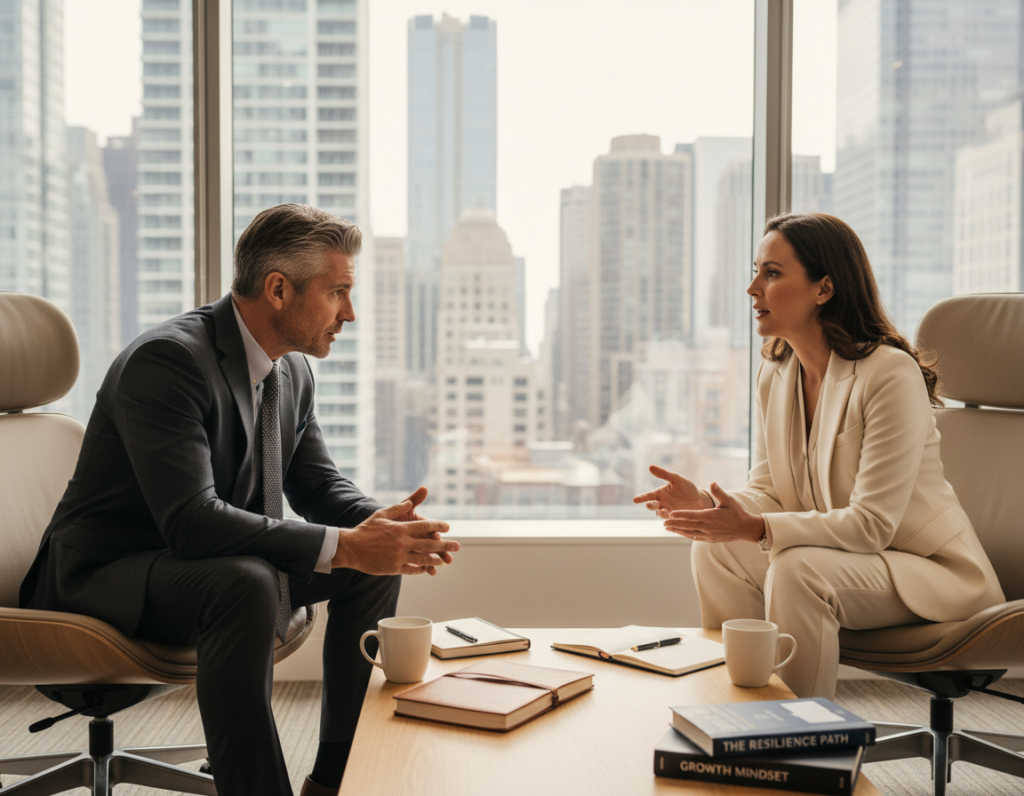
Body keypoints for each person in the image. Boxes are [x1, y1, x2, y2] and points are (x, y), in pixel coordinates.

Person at [20, 204, 460, 796]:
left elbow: (318, 486)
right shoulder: (169, 362)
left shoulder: (292, 372)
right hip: (102, 578)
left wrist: (381, 529)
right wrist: (349, 543)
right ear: (278, 289)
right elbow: (192, 523)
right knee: (247, 580)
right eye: (338, 293)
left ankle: (334, 779)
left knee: (367, 566)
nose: (349, 314)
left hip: (204, 564)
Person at [633, 212, 1004, 699]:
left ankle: (798, 746)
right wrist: (711, 507)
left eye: (771, 273)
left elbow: (872, 525)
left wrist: (757, 528)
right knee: (717, 549)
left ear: (823, 288)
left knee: (796, 569)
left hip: (928, 572)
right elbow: (769, 490)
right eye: (755, 271)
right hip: (851, 564)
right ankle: (733, 713)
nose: (752, 289)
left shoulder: (888, 374)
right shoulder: (777, 374)